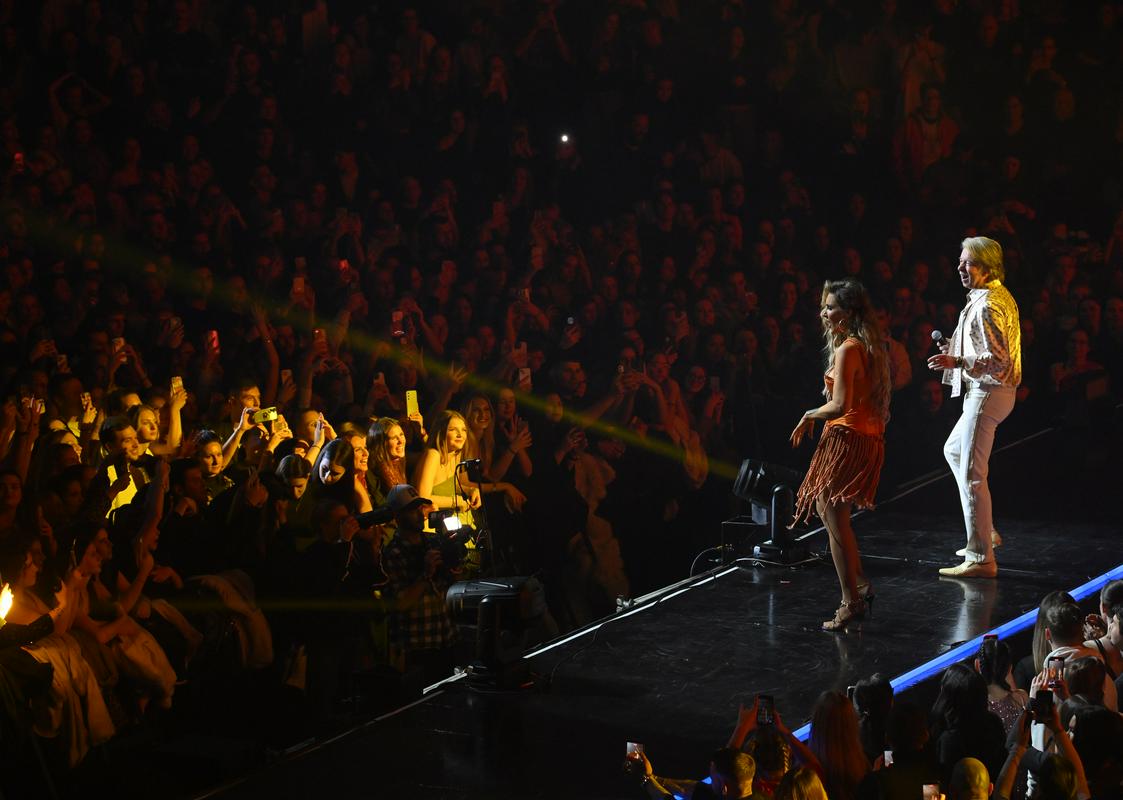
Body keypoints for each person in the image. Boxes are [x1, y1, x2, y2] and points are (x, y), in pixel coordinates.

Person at [790, 279, 890, 632]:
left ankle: (851, 600)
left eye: (830, 307)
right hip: (861, 437)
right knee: (830, 513)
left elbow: (840, 405)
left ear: (847, 313)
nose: (824, 312)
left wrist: (809, 415)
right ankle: (858, 585)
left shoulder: (850, 348)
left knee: (833, 515)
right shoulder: (865, 346)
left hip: (847, 438)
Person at [927, 236, 1021, 578]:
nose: (960, 268)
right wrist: (955, 351)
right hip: (990, 391)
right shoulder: (990, 297)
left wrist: (957, 360)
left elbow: (998, 359)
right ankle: (986, 531)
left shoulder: (988, 304)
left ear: (987, 267)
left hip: (989, 392)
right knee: (954, 451)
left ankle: (981, 558)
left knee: (971, 474)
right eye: (960, 261)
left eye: (967, 262)